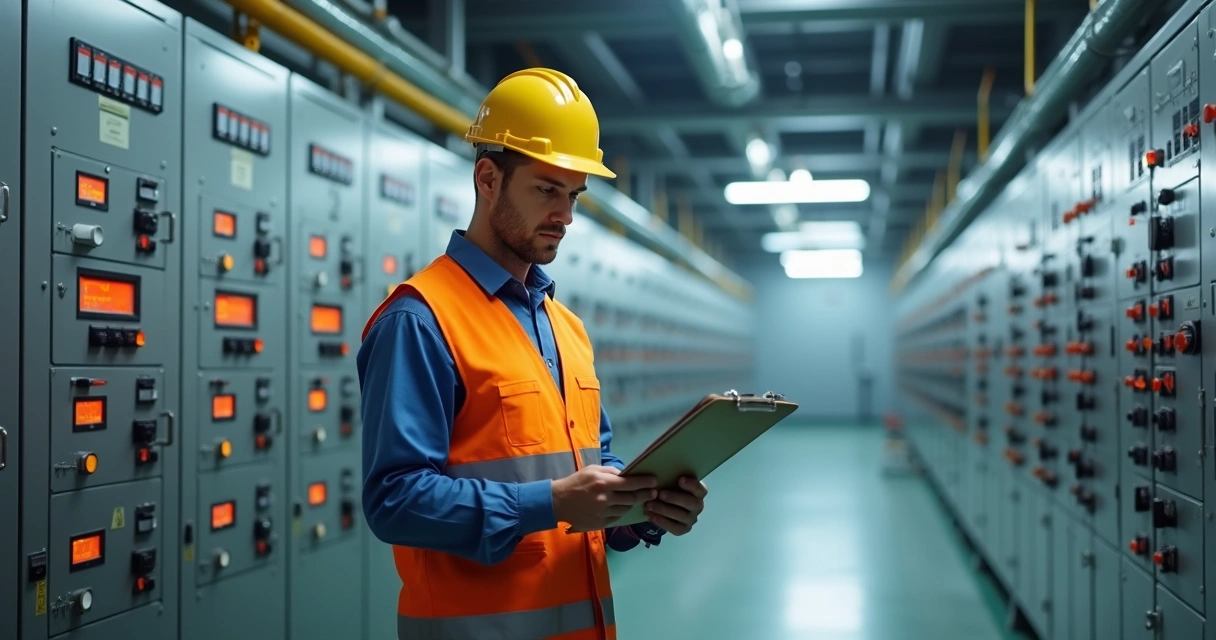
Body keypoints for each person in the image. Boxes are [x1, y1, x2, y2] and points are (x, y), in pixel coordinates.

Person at [357, 67, 710, 639]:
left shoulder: (565, 326)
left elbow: (592, 465)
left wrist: (640, 508)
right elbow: (393, 500)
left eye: (574, 195)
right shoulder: (421, 320)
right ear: (488, 178)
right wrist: (549, 504)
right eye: (547, 190)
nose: (565, 216)